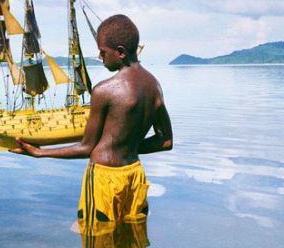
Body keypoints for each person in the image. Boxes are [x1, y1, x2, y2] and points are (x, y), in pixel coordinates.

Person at [12, 14, 173, 225]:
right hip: (134, 175)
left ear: (121, 52)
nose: (100, 56)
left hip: (104, 180)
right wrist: (128, 147)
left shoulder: (104, 91)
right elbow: (166, 141)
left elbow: (86, 148)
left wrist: (40, 152)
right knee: (132, 242)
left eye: (103, 52)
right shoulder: (154, 86)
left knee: (97, 245)